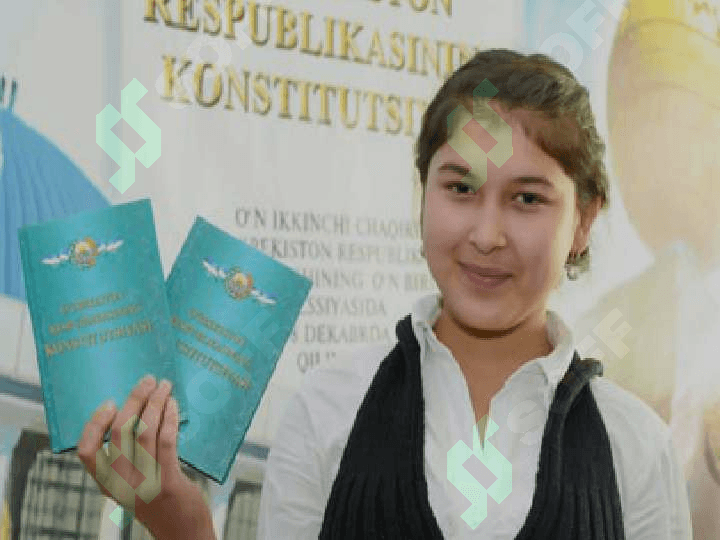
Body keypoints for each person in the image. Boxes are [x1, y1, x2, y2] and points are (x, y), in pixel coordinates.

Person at [76, 49, 693, 539]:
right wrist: (183, 527)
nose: (487, 234)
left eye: (527, 198)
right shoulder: (327, 409)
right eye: (460, 188)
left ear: (584, 220)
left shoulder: (636, 445)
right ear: (423, 193)